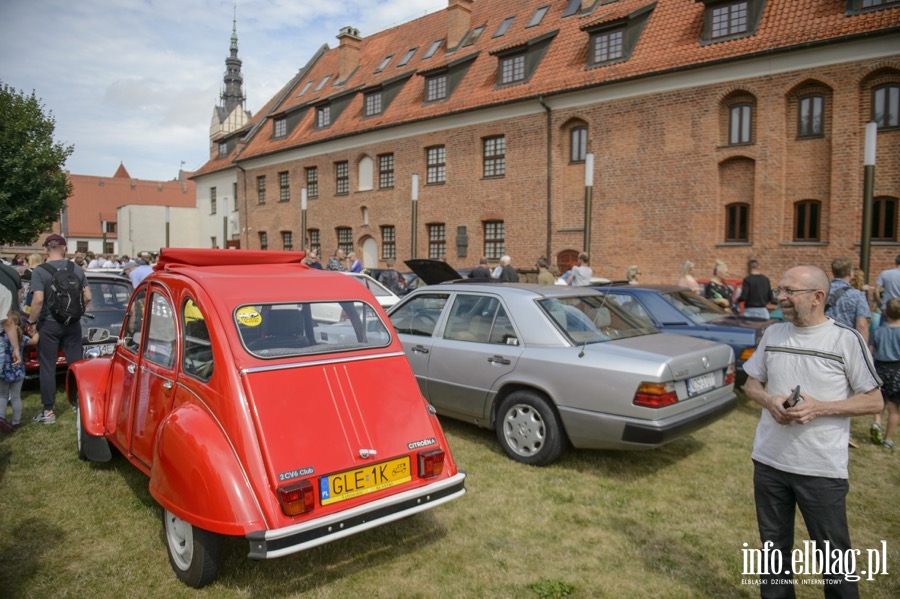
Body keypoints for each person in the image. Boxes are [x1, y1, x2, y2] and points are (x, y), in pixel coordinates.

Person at [743, 265, 883, 595]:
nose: (781, 298)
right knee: (773, 555)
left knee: (834, 559)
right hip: (769, 462)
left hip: (820, 468)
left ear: (818, 297)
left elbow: (874, 401)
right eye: (779, 290)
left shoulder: (845, 340)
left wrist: (819, 406)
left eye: (790, 291)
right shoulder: (774, 333)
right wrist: (769, 400)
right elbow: (751, 385)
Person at [25, 234, 92, 425]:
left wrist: (31, 322)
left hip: (49, 323)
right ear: (64, 248)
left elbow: (37, 299)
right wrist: (77, 311)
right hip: (72, 323)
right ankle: (80, 403)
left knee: (47, 366)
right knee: (76, 364)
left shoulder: (40, 271)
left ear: (47, 249)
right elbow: (87, 296)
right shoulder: (76, 269)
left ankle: (48, 410)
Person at [870, 297, 900, 451]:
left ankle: (877, 421)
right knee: (894, 408)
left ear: (886, 312)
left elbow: (870, 350)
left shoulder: (878, 331)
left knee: (879, 401)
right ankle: (888, 439)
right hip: (897, 370)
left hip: (879, 368)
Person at [824, 257, 871, 343]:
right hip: (847, 341)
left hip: (824, 339)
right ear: (850, 272)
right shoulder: (857, 295)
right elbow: (862, 325)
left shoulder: (822, 291)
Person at [0, 310, 27, 432]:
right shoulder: (22, 338)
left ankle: (1, 418)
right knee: (16, 397)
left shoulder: (2, 338)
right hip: (18, 371)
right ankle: (16, 422)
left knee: (2, 396)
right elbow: (35, 341)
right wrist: (35, 331)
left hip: (4, 371)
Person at [874, 254, 900, 325]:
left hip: (887, 308)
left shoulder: (885, 273)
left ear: (896, 262)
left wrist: (880, 304)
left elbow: (876, 291)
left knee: (883, 332)